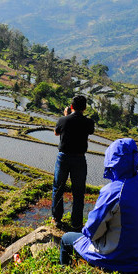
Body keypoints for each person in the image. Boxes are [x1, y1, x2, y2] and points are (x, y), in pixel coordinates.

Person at [59, 137, 138, 272]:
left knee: (66, 239)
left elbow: (93, 232)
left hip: (117, 258)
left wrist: (85, 231)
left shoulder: (113, 191)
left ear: (112, 162)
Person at [52, 95, 95, 230]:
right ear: (85, 108)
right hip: (79, 159)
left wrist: (66, 115)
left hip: (63, 158)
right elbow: (90, 131)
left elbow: (56, 133)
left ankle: (57, 218)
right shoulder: (89, 122)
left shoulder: (63, 120)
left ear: (71, 107)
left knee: (58, 188)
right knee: (78, 191)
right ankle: (76, 223)